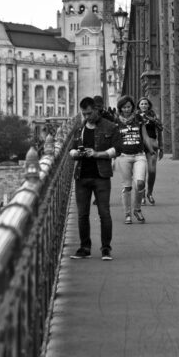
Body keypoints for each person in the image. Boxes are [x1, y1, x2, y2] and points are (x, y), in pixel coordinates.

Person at [69, 96, 121, 260]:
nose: (86, 117)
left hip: (101, 176)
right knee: (82, 214)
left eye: (89, 113)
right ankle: (85, 248)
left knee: (104, 213)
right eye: (84, 114)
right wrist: (76, 153)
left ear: (96, 110)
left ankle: (106, 248)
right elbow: (71, 149)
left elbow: (117, 149)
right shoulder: (79, 128)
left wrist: (97, 154)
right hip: (81, 175)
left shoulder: (111, 126)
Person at [114, 95, 153, 225]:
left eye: (129, 107)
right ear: (120, 108)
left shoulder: (138, 118)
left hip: (139, 155)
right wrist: (113, 157)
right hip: (124, 156)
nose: (127, 109)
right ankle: (127, 214)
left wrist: (151, 149)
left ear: (132, 107)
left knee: (140, 183)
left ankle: (137, 209)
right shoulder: (116, 121)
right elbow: (113, 140)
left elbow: (145, 136)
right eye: (124, 107)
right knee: (127, 186)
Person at [138, 97, 163, 204]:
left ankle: (150, 193)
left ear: (149, 105)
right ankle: (142, 194)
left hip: (152, 145)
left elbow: (160, 131)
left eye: (145, 104)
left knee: (152, 171)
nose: (144, 105)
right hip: (140, 145)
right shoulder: (135, 117)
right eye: (142, 104)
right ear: (139, 106)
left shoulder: (154, 117)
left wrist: (161, 147)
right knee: (141, 172)